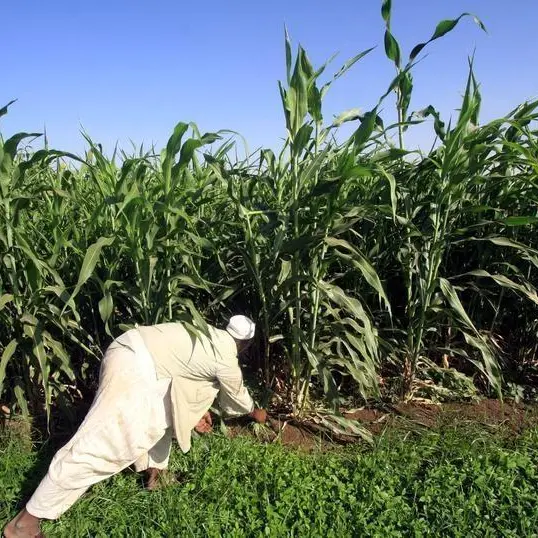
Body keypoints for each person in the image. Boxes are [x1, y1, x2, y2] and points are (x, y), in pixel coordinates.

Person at [4, 315, 267, 538]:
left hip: (128, 349)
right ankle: (25, 522)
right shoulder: (226, 358)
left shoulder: (201, 332)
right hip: (138, 369)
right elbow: (238, 401)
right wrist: (257, 412)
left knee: (158, 414)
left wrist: (197, 411)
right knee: (103, 444)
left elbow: (184, 379)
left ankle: (157, 475)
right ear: (245, 344)